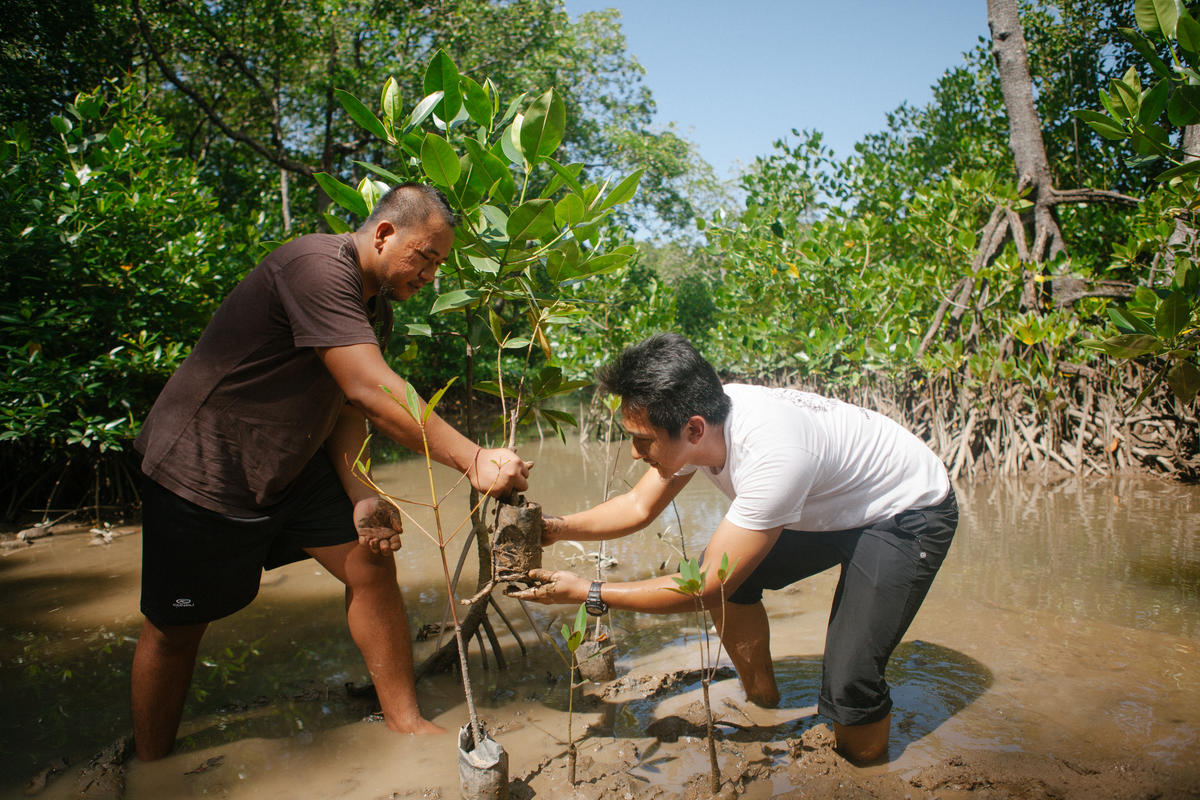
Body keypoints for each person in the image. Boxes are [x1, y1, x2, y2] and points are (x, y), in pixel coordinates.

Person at [131, 183, 531, 761]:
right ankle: (152, 769)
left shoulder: (376, 309)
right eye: (425, 257)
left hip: (291, 465)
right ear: (385, 233)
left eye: (439, 264)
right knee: (176, 630)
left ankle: (406, 722)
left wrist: (361, 494)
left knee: (371, 562)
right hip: (205, 463)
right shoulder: (316, 266)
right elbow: (371, 387)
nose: (430, 275)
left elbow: (346, 409)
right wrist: (473, 458)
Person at [514, 333, 956, 763]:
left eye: (642, 440)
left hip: (905, 509)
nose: (633, 453)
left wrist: (586, 593)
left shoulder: (771, 457)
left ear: (693, 430)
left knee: (850, 679)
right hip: (830, 499)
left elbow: (704, 588)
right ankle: (764, 700)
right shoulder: (704, 421)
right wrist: (555, 528)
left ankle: (866, 774)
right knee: (733, 581)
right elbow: (637, 505)